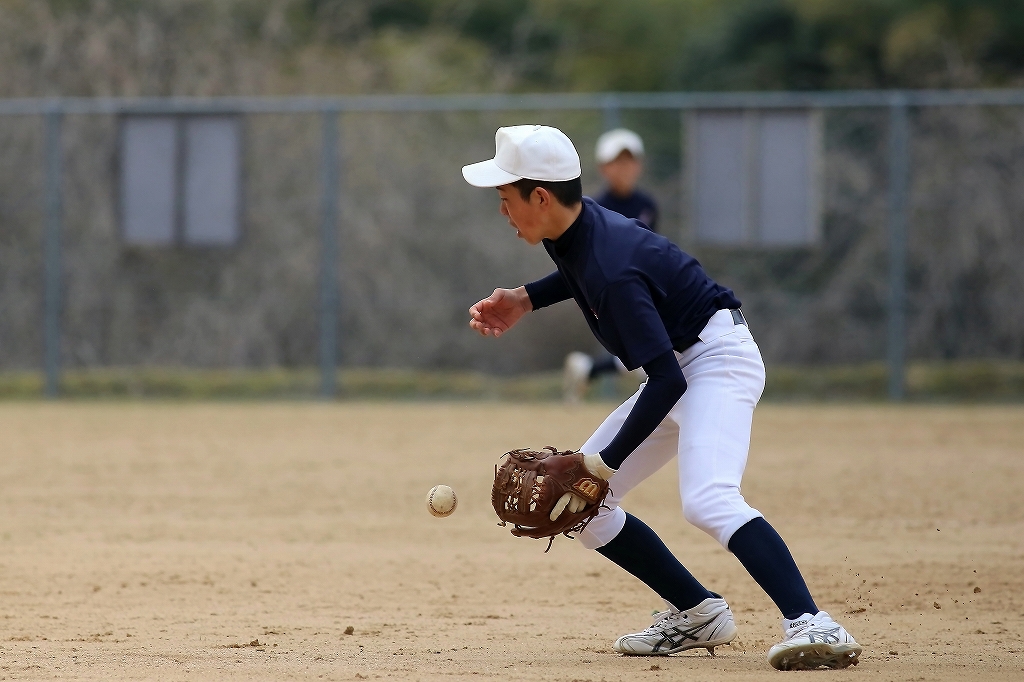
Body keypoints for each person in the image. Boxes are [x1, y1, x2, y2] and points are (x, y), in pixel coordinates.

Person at [463, 124, 861, 671]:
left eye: (506, 199)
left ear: (539, 197)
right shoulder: (573, 228)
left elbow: (668, 381)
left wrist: (597, 464)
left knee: (707, 498)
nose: (503, 210)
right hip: (680, 365)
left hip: (717, 361)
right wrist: (526, 298)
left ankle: (814, 623)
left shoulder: (612, 267)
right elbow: (578, 274)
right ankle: (698, 614)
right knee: (587, 509)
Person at [564, 128, 659, 403]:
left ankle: (589, 369)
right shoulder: (595, 206)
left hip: (643, 290)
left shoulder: (647, 205)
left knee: (655, 355)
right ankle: (592, 370)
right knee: (656, 354)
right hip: (613, 292)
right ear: (603, 168)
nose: (624, 168)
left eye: (630, 161)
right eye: (617, 162)